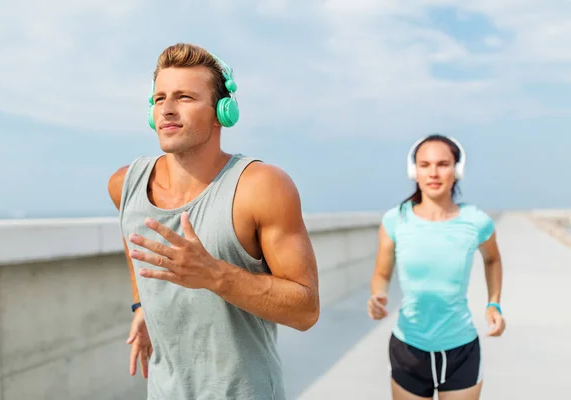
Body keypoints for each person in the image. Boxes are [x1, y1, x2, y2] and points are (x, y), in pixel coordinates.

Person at [107, 43, 319, 400]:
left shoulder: (262, 186)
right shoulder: (124, 185)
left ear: (223, 111)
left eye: (185, 97)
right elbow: (136, 244)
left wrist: (214, 275)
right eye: (159, 99)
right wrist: (142, 306)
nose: (167, 110)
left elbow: (306, 309)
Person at [367, 134, 506, 400]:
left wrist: (494, 303)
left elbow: (493, 259)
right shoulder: (395, 220)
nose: (433, 172)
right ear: (414, 171)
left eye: (443, 164)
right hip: (408, 348)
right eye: (425, 164)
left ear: (457, 170)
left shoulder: (476, 221)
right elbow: (381, 274)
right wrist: (377, 297)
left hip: (461, 350)